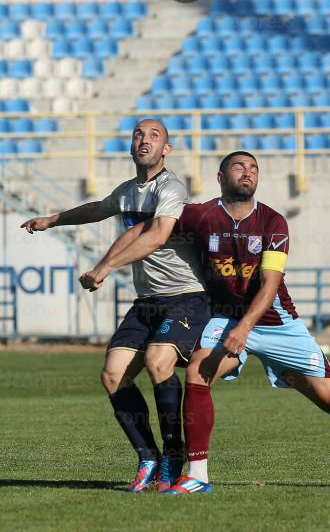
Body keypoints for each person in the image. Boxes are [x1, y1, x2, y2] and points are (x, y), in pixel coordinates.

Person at [159, 150, 330, 493]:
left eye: (253, 168)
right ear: (220, 177)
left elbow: (270, 285)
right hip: (225, 318)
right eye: (239, 167)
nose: (247, 173)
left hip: (277, 324)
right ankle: (197, 475)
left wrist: (244, 330)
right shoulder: (200, 216)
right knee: (199, 371)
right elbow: (153, 227)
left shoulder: (272, 222)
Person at [21, 118, 210, 493]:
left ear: (166, 149)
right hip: (148, 299)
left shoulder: (171, 186)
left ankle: (174, 457)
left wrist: (105, 266)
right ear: (131, 145)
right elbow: (97, 208)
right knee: (112, 375)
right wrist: (53, 220)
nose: (145, 140)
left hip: (186, 295)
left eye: (155, 136)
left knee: (158, 363)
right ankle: (148, 456)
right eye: (139, 134)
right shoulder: (127, 191)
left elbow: (157, 236)